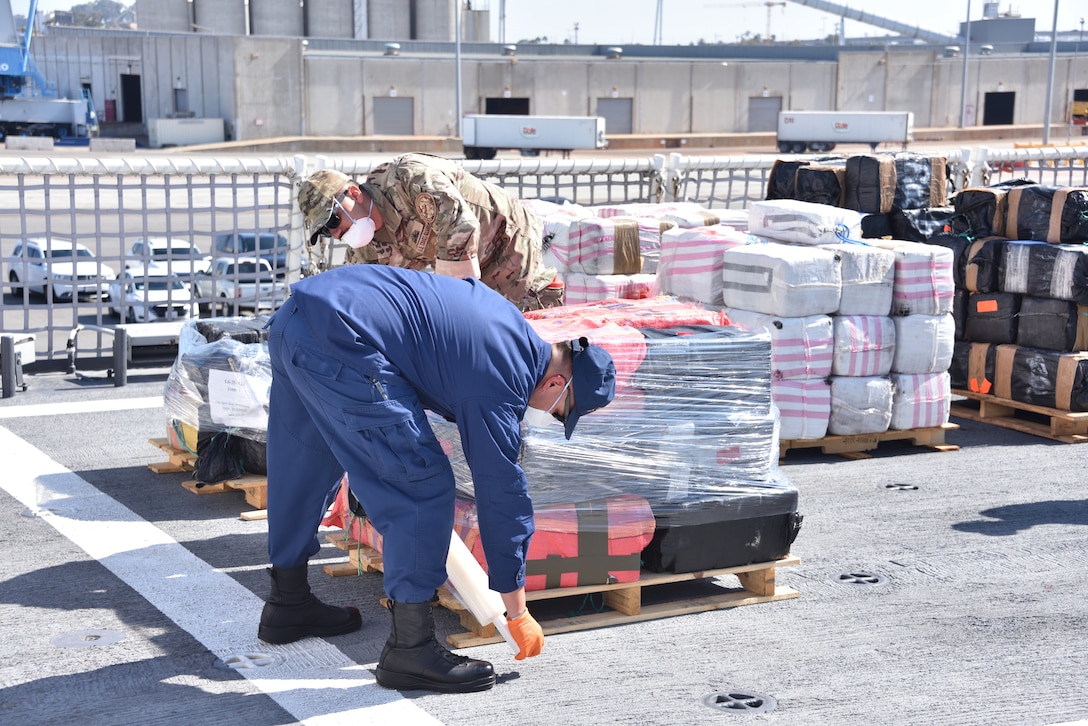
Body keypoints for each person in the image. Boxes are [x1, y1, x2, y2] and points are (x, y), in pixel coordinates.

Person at [258, 264, 616, 694]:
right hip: (342, 340)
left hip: (298, 320)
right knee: (421, 484)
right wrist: (516, 609)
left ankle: (288, 601)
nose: (547, 415)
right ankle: (411, 649)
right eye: (560, 410)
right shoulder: (503, 377)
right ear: (558, 382)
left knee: (306, 455)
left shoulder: (508, 330)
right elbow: (501, 492)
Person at [296, 154, 564, 312]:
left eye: (333, 220)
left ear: (354, 193)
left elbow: (460, 226)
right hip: (465, 266)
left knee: (527, 326)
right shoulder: (365, 249)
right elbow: (367, 296)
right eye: (325, 231)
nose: (336, 233)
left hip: (504, 239)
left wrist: (457, 309)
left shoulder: (408, 179)